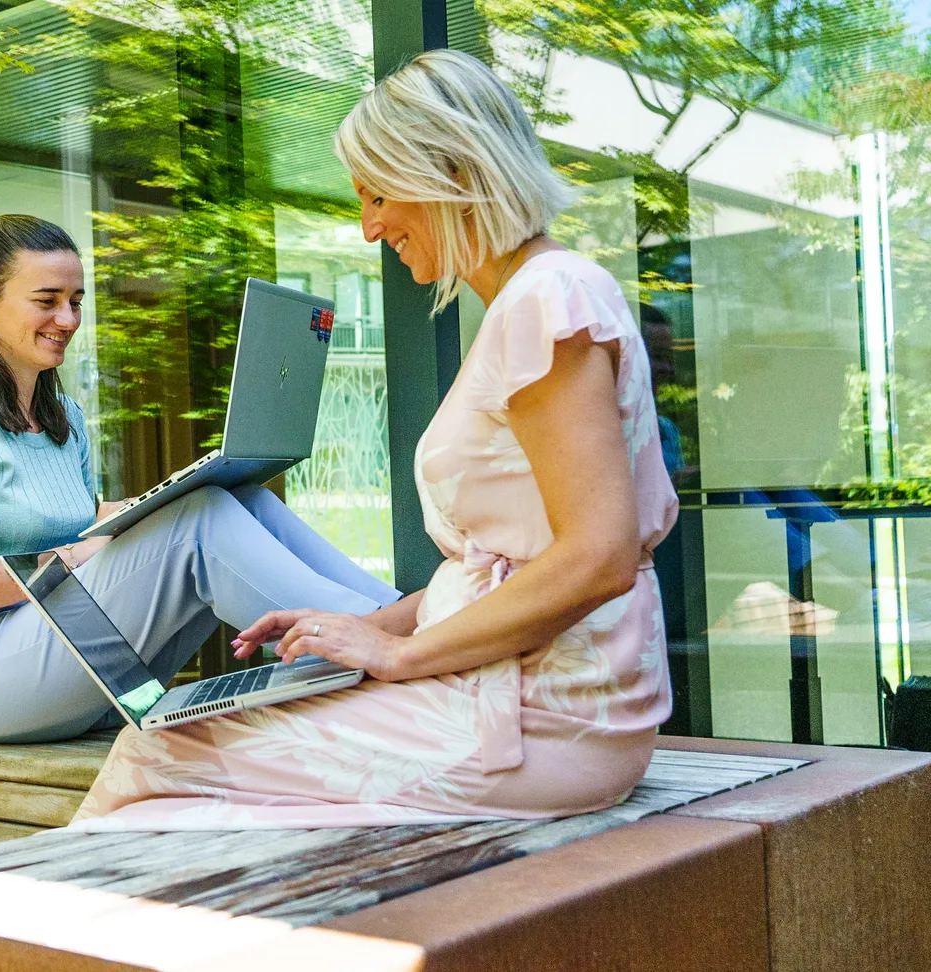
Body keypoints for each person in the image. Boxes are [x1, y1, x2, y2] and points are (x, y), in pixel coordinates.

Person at [71, 49, 680, 829]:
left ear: (452, 174)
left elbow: (597, 556)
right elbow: (515, 567)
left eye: (379, 195)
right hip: (526, 699)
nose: (368, 228)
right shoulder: (538, 298)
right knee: (170, 744)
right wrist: (370, 629)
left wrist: (399, 657)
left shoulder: (547, 300)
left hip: (539, 718)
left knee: (156, 752)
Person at [0, 214, 398, 744]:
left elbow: (66, 522)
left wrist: (143, 509)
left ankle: (399, 617)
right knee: (198, 523)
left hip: (83, 660)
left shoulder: (61, 417)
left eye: (75, 301)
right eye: (46, 301)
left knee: (234, 496)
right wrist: (76, 553)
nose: (67, 319)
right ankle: (390, 643)